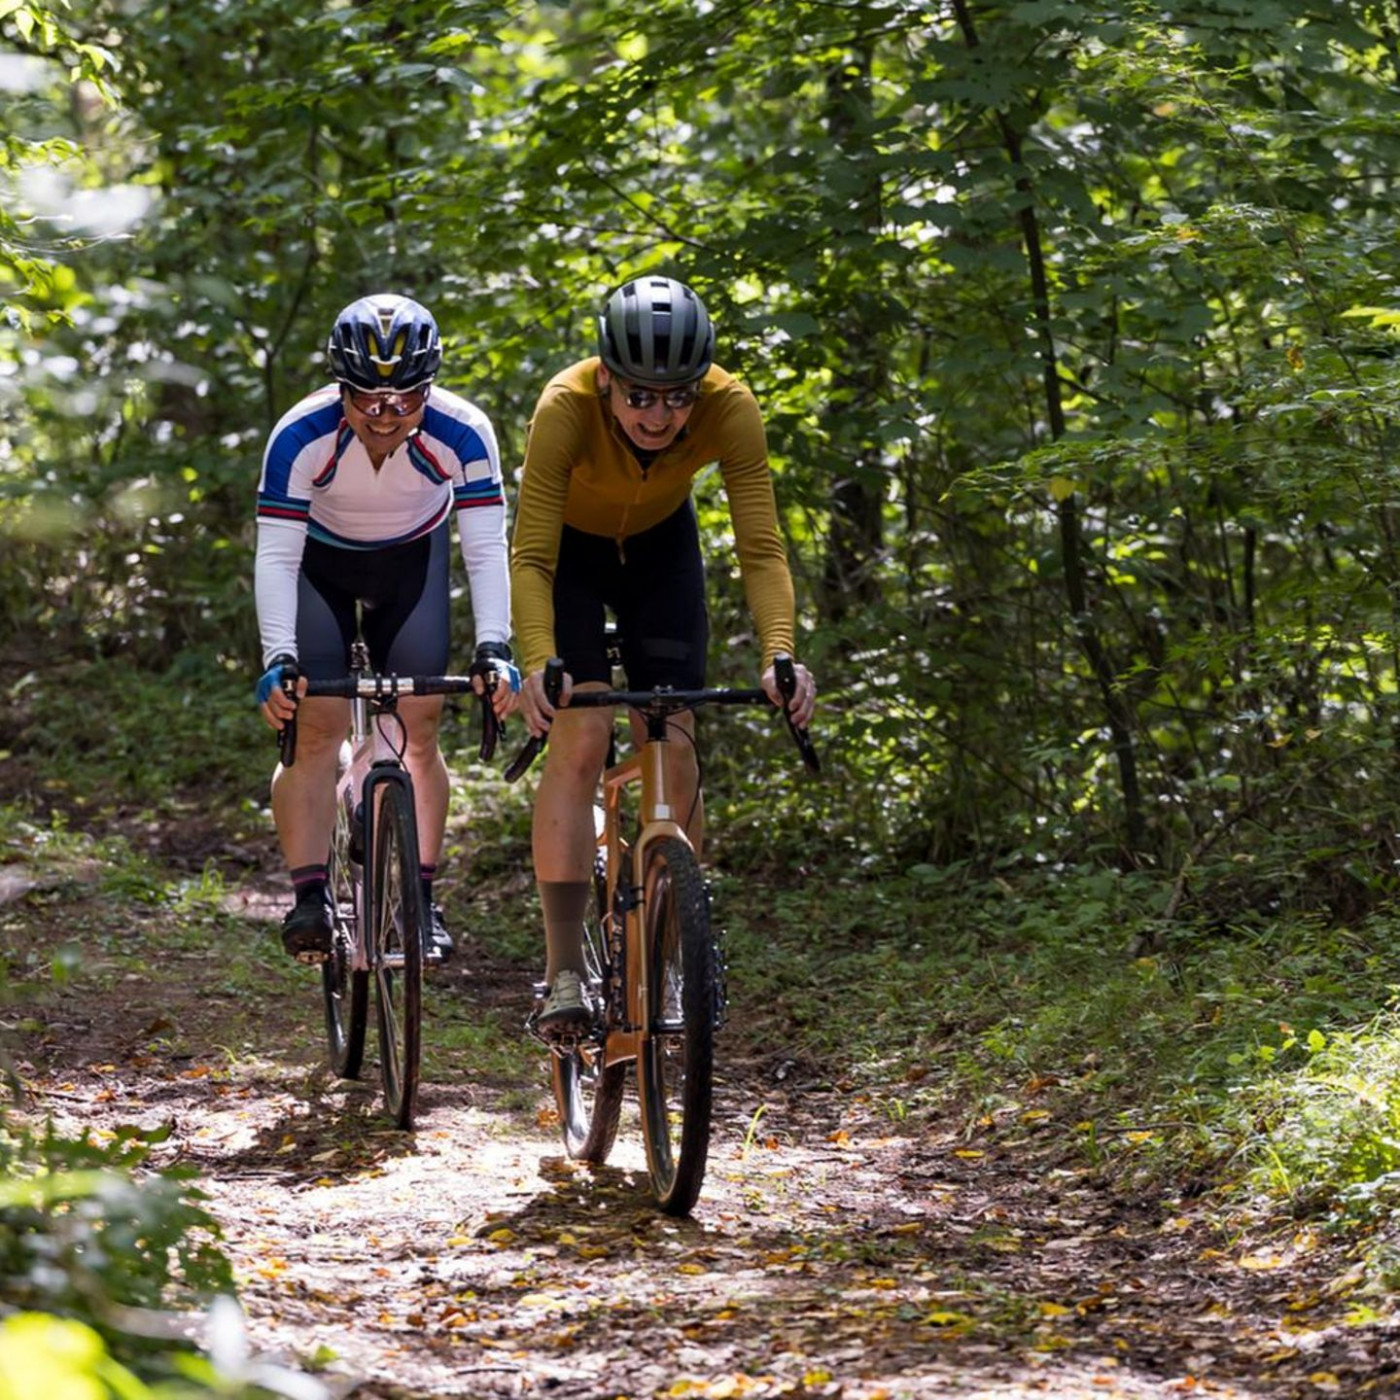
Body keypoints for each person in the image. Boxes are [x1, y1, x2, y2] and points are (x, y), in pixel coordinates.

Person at [510, 274, 817, 1031]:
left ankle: (674, 953)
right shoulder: (566, 408)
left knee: (672, 732)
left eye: (678, 396)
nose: (659, 414)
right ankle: (563, 972)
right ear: (608, 379)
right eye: (641, 395)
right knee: (581, 731)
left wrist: (781, 654)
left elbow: (762, 549)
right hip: (572, 560)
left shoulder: (730, 406)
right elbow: (532, 559)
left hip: (660, 553)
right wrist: (537, 659)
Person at [254, 293, 518, 963]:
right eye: (367, 399)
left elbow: (486, 549)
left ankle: (422, 902)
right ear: (340, 387)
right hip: (321, 566)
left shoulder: (463, 432)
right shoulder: (299, 435)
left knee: (420, 726)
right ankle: (311, 895)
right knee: (317, 725)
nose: (385, 416)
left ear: (429, 388)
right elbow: (279, 556)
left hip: (413, 565)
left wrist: (496, 645)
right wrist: (279, 657)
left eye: (405, 400)